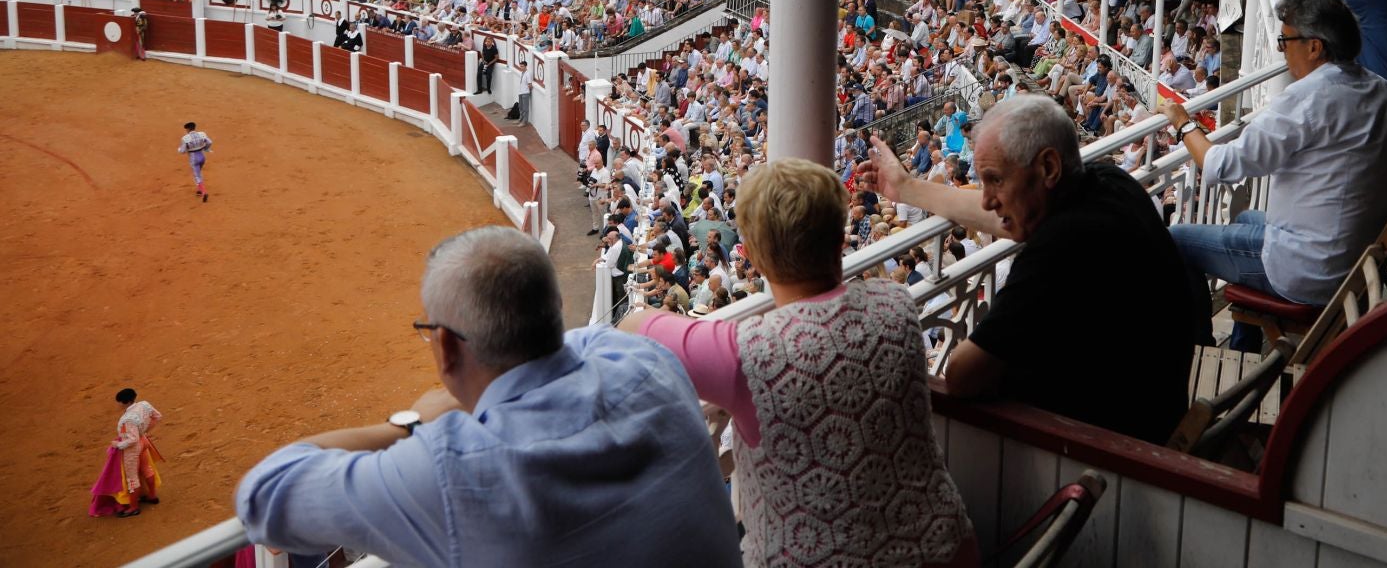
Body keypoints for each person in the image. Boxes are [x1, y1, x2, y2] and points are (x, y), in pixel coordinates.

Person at [236, 226, 740, 566]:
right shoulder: (647, 364)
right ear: (555, 310)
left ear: (447, 347)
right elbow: (595, 339)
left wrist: (406, 426)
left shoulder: (454, 467)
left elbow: (262, 496)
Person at [628, 159, 976, 567]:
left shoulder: (747, 349)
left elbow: (634, 327)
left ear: (754, 255)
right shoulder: (895, 302)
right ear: (840, 237)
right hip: (947, 548)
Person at [862, 94, 1197, 444]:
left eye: (995, 180)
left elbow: (962, 374)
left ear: (1049, 168)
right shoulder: (1109, 182)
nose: (988, 198)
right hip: (1160, 411)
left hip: (1117, 454)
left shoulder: (1060, 246)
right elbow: (1001, 215)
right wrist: (906, 188)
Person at [1161, 0, 1387, 349]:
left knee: (1175, 240)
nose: (1281, 50)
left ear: (1315, 46)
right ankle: (1244, 349)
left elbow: (1221, 164)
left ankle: (1200, 349)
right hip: (1353, 261)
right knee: (1244, 220)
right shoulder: (1384, 92)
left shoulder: (1306, 99)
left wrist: (1182, 123)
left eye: (1285, 41)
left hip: (1309, 272)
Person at [88, 389, 163, 518]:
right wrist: (144, 431)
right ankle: (152, 495)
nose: (119, 405)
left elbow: (132, 440)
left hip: (133, 449)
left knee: (132, 479)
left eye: (120, 403)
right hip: (144, 440)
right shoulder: (144, 404)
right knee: (147, 468)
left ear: (125, 402)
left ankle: (133, 507)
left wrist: (118, 444)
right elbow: (157, 416)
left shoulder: (126, 419)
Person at [179, 123, 212, 202]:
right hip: (202, 157)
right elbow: (209, 142)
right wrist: (206, 149)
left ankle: (204, 192)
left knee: (197, 176)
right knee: (199, 173)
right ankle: (199, 190)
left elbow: (182, 151)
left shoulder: (185, 138)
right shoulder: (202, 134)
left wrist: (179, 149)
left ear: (188, 129)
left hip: (194, 159)